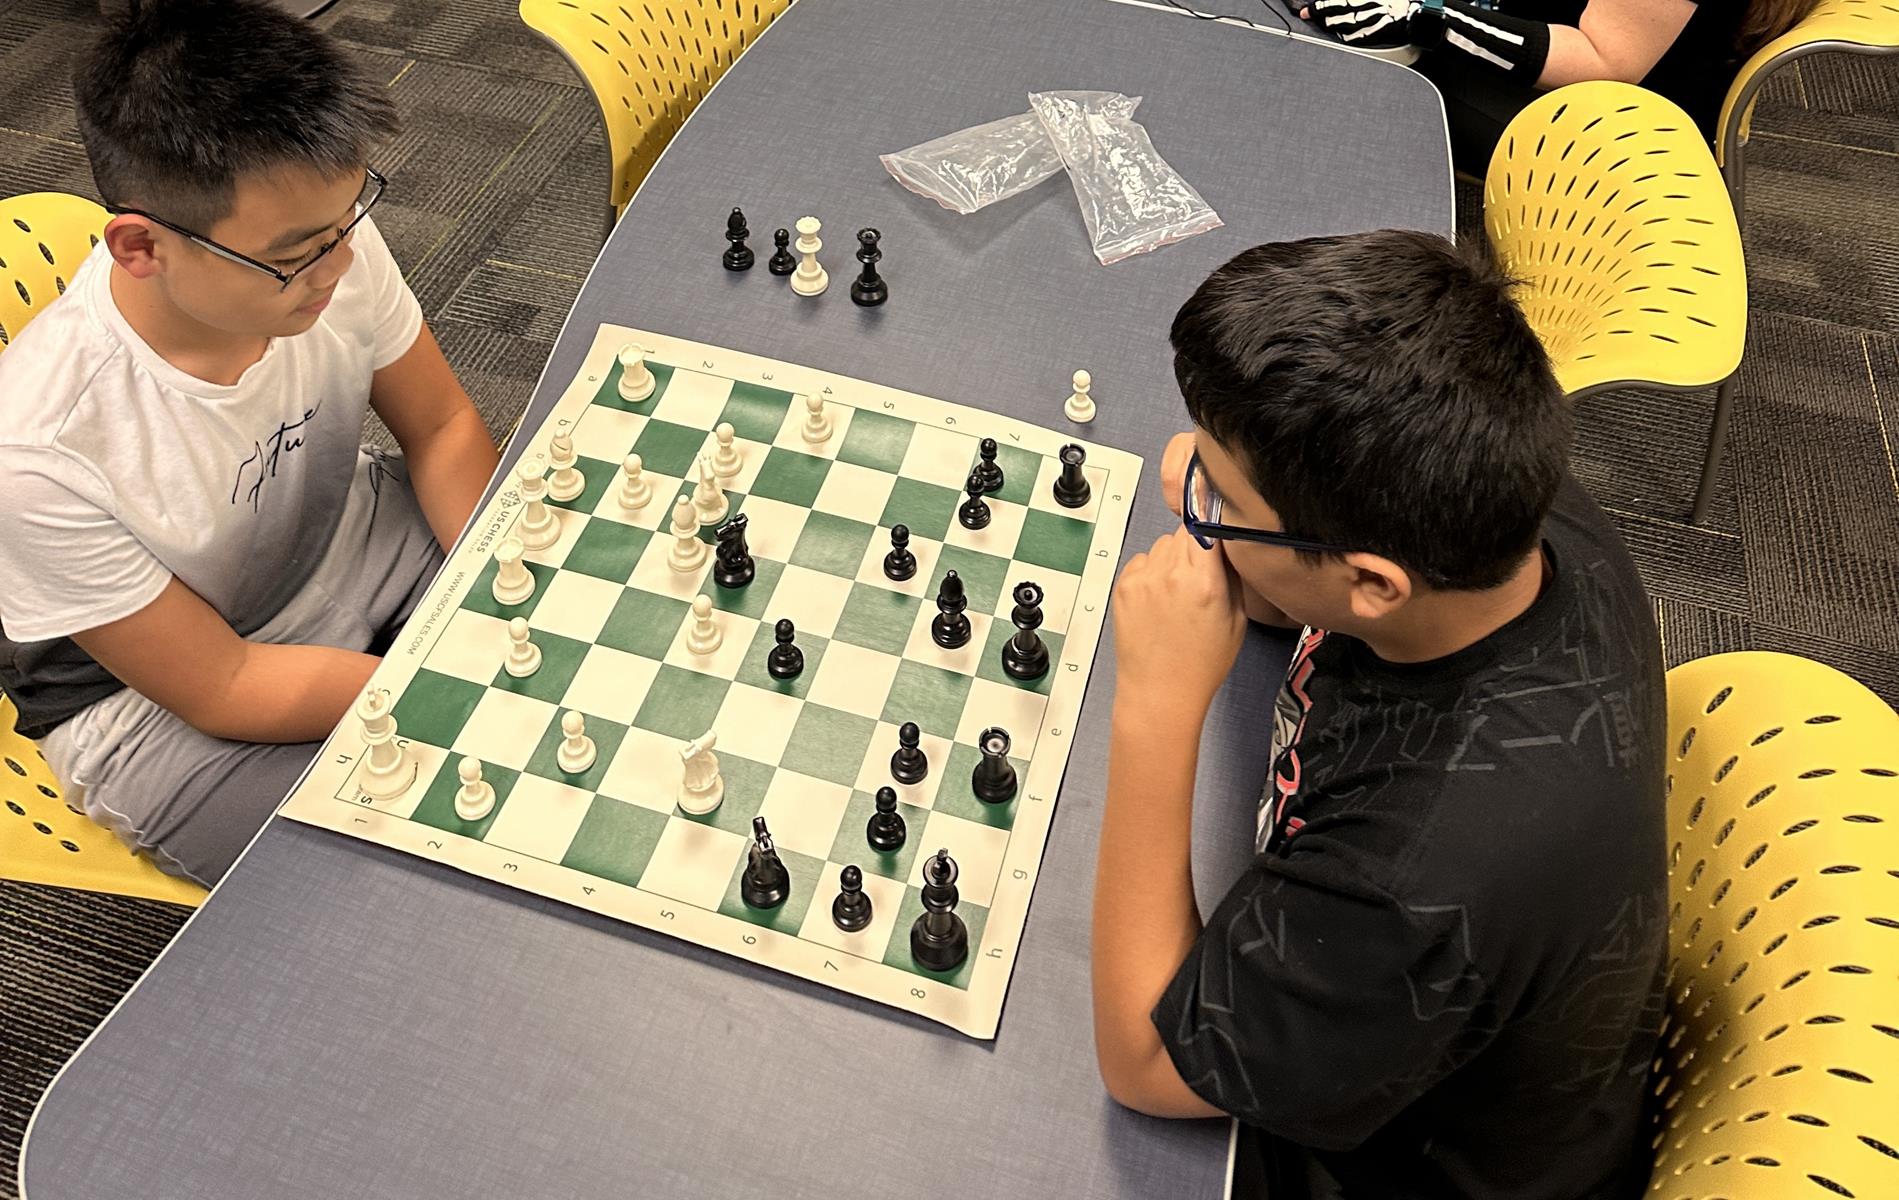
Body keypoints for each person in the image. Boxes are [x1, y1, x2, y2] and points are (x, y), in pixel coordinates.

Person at [1091, 231, 1668, 1198]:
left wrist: (1154, 708)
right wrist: (1235, 513)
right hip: (1400, 1011)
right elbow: (1301, 596)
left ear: (1370, 580)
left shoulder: (1415, 882)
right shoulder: (1494, 502)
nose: (1191, 485)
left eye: (1217, 495)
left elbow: (1144, 1064)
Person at [0, 0, 499, 886]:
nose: (340, 266)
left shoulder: (319, 235)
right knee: (450, 868)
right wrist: (461, 690)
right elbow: (223, 685)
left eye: (350, 221)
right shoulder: (37, 455)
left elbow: (442, 426)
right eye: (299, 255)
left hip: (352, 541)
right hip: (167, 712)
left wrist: (503, 580)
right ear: (141, 245)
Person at [1303, 0, 1821, 171]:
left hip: (1611, 125)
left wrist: (1428, 19)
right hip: (1560, 43)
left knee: (1354, 70)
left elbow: (1603, 61)